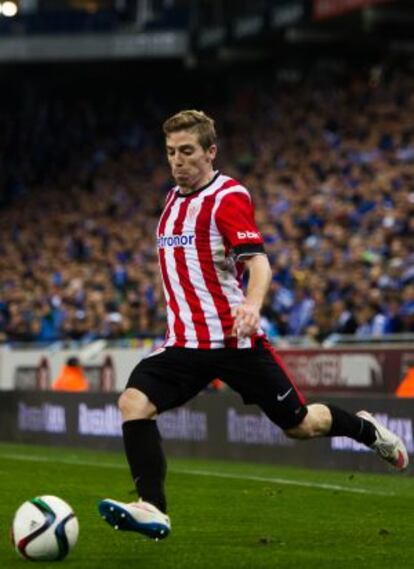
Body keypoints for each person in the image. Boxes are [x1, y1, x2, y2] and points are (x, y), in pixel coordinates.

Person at [98, 110, 409, 540]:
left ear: (210, 152)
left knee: (300, 424)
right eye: (171, 153)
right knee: (133, 403)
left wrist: (252, 306)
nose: (178, 161)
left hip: (234, 341)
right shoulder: (172, 202)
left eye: (187, 151)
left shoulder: (227, 197)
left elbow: (258, 262)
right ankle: (152, 507)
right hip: (185, 344)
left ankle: (365, 428)